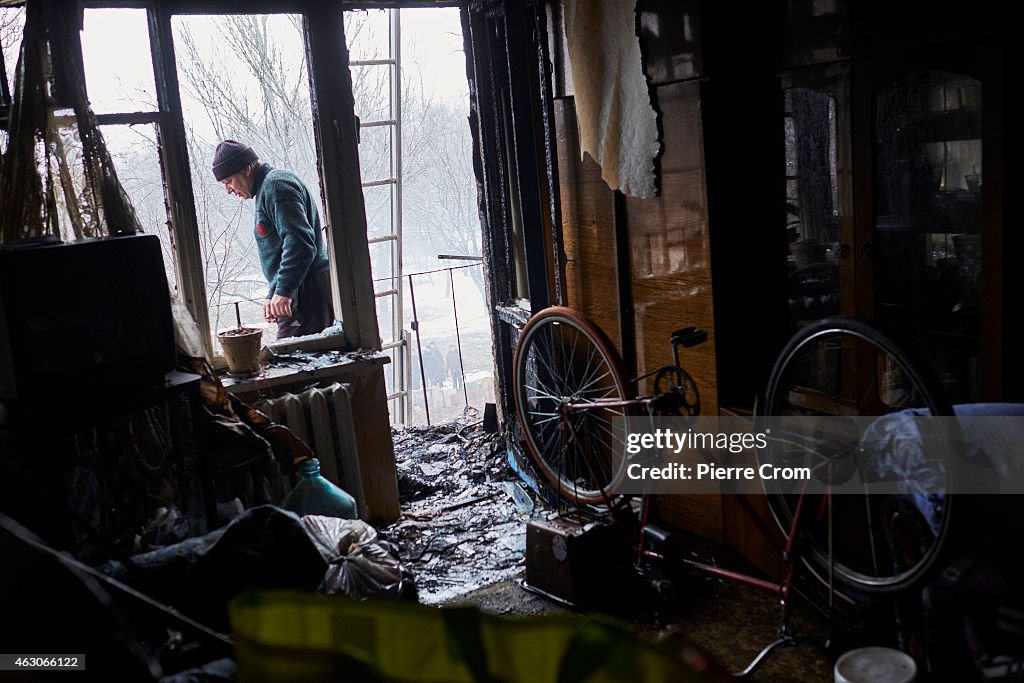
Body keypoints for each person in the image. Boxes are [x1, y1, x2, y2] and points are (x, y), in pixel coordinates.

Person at [212, 139, 334, 339]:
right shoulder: (268, 188)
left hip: (306, 292)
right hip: (301, 289)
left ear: (247, 169)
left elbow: (300, 244)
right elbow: (281, 249)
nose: (228, 190)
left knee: (296, 359)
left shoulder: (276, 186)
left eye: (229, 181)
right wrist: (273, 294)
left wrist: (283, 292)